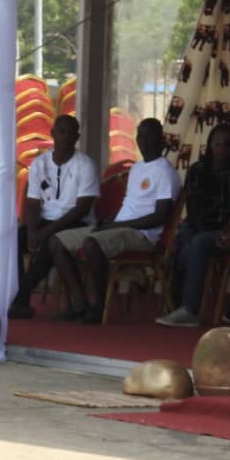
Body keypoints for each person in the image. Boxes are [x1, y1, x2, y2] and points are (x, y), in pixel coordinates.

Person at [48, 118, 181, 323]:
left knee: (91, 245)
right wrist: (111, 222)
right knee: (57, 242)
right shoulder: (137, 168)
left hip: (143, 235)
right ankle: (80, 302)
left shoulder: (165, 171)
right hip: (118, 228)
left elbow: (160, 216)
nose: (142, 140)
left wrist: (117, 225)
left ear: (160, 139)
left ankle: (99, 306)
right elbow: (130, 206)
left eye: (148, 135)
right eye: (139, 135)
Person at [8, 115, 100, 319]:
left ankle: (20, 298)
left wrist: (45, 231)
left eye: (71, 133)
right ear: (52, 134)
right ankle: (18, 296)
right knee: (14, 240)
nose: (66, 137)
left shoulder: (86, 165)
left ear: (77, 137)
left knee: (50, 242)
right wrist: (32, 231)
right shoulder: (39, 164)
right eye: (61, 132)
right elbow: (33, 203)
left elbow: (83, 208)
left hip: (76, 222)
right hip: (45, 219)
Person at [155, 123, 230, 328]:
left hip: (224, 230)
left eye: (228, 144)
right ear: (209, 145)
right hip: (198, 225)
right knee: (184, 240)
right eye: (217, 144)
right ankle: (176, 303)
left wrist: (221, 231)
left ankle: (189, 310)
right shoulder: (198, 169)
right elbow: (191, 206)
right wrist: (198, 228)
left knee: (197, 244)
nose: (222, 149)